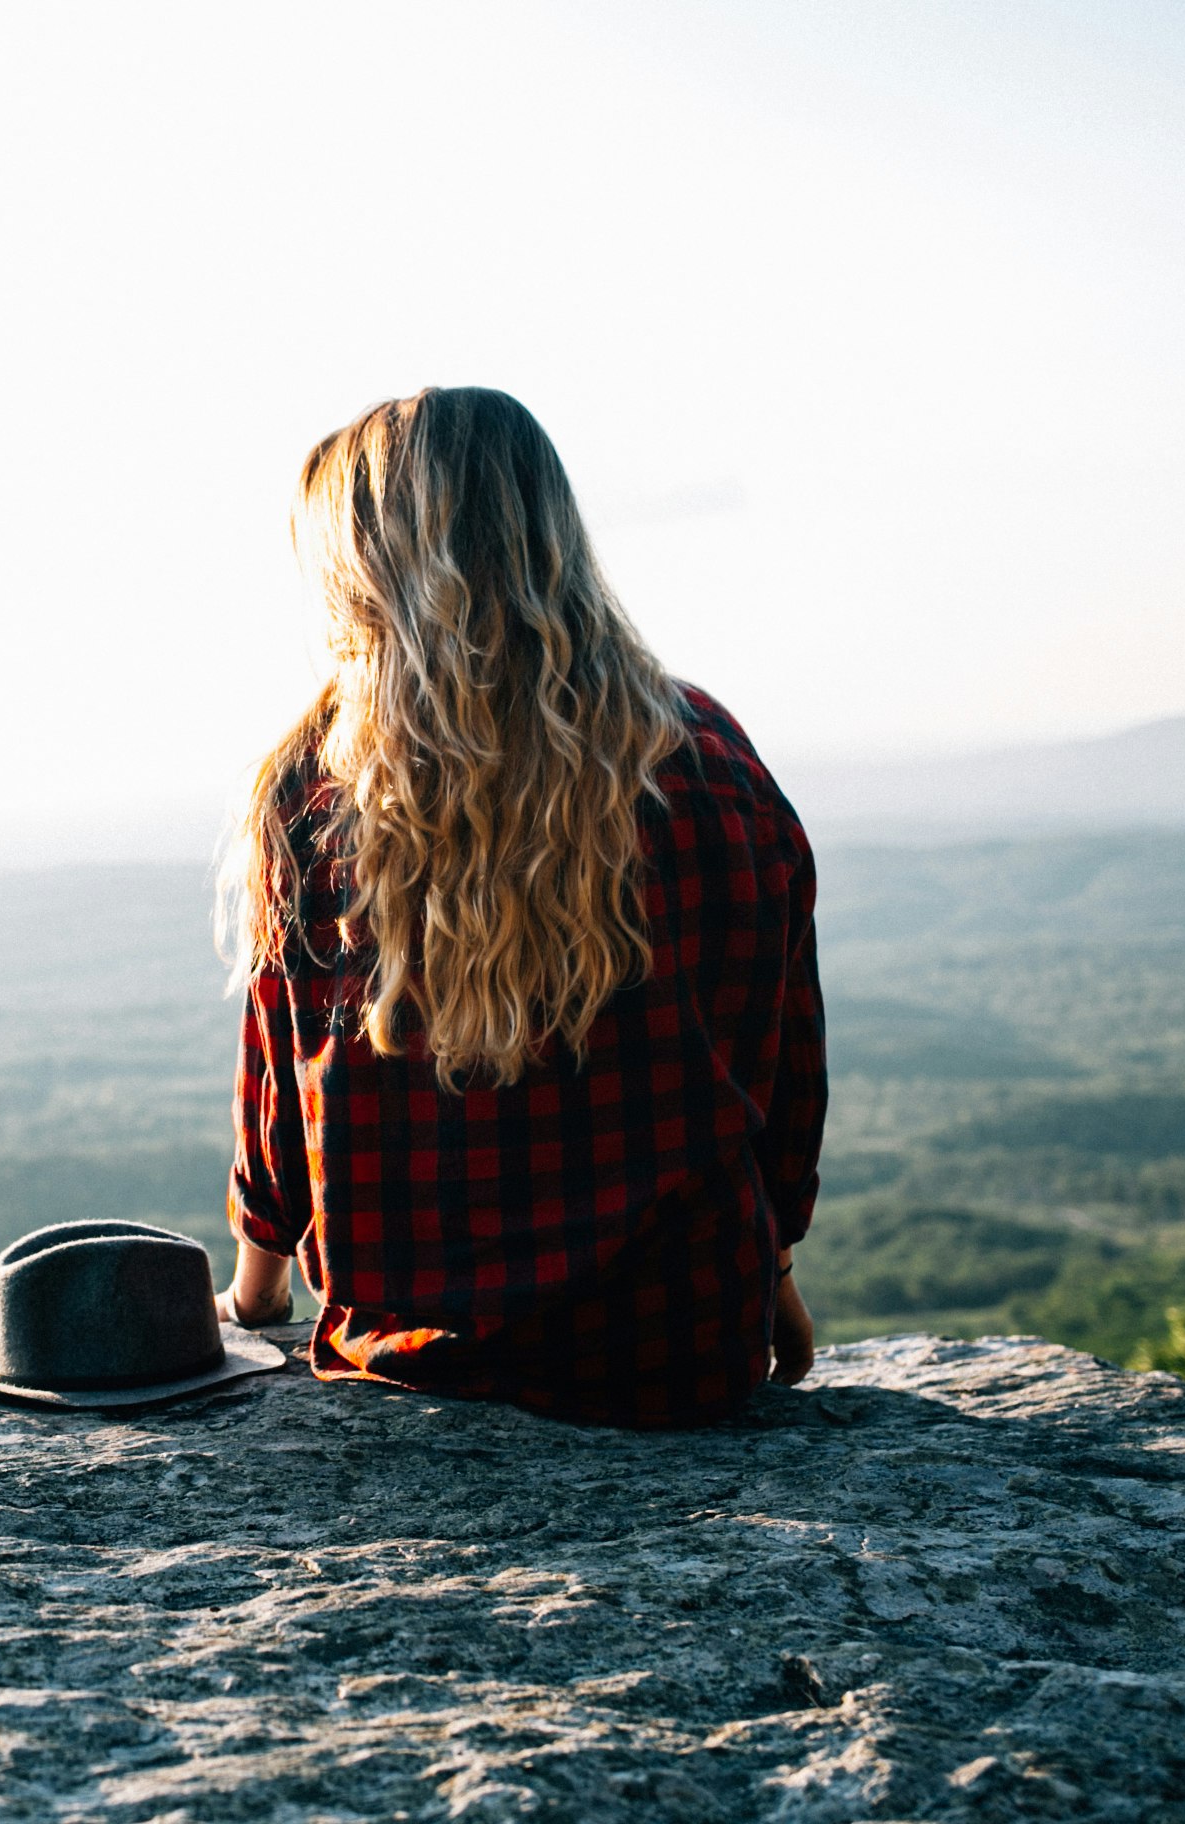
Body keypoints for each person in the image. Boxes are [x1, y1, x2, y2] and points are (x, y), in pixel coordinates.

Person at [216, 387, 825, 1428]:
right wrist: (769, 1281)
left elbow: (284, 1106)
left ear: (362, 577)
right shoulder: (707, 759)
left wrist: (253, 1303)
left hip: (411, 1368)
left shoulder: (316, 788)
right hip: (677, 1354)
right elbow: (770, 1065)